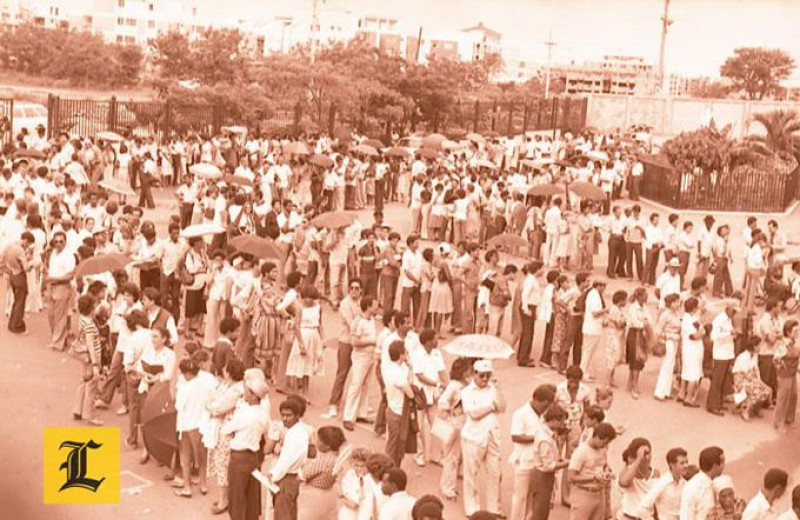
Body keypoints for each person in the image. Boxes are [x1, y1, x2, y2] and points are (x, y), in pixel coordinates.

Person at [461, 359, 506, 518]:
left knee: (494, 473)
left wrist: (499, 389)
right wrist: (491, 407)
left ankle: (494, 509)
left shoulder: (493, 388)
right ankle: (472, 509)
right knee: (471, 473)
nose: (485, 379)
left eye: (488, 375)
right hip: (474, 436)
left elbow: (502, 407)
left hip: (492, 434)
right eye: (482, 376)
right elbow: (474, 414)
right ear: (474, 374)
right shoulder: (467, 392)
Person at [223, 375, 270, 520]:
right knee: (252, 497)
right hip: (254, 456)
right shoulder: (263, 413)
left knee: (237, 498)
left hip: (240, 456)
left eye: (247, 391)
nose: (245, 394)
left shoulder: (245, 414)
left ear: (254, 395)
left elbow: (225, 429)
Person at [509, 384, 557, 520]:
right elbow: (516, 436)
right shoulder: (521, 414)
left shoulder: (543, 415)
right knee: (520, 497)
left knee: (533, 498)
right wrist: (538, 438)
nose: (545, 409)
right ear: (536, 399)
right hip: (524, 460)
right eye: (544, 405)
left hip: (538, 463)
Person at [324, 280, 363, 419]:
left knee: (360, 376)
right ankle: (333, 403)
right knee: (342, 374)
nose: (353, 290)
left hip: (358, 343)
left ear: (360, 290)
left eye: (356, 288)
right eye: (351, 288)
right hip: (346, 342)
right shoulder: (345, 304)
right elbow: (352, 322)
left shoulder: (361, 302)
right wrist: (363, 320)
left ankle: (358, 405)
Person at [342, 297, 379, 430]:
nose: (377, 307)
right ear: (368, 307)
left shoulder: (372, 320)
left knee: (366, 385)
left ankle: (361, 413)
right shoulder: (358, 322)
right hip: (360, 357)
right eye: (374, 305)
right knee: (356, 385)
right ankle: (348, 416)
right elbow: (354, 342)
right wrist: (371, 342)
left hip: (370, 356)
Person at [269, 398, 310, 520]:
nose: (285, 419)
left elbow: (285, 462)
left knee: (283, 514)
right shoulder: (297, 432)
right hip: (292, 478)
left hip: (287, 479)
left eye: (289, 415)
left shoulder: (294, 435)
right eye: (283, 415)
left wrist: (273, 476)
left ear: (297, 416)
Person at [437, 357, 471, 501]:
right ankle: (447, 488)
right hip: (455, 423)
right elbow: (443, 402)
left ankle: (450, 485)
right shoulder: (455, 386)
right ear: (463, 372)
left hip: (463, 423)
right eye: (469, 369)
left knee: (456, 456)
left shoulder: (465, 384)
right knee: (451, 457)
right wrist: (449, 414)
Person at [567, 422, 617, 520]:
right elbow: (571, 477)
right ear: (597, 437)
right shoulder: (581, 452)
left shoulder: (602, 450)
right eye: (604, 442)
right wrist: (593, 477)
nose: (605, 445)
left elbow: (604, 466)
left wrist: (607, 473)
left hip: (599, 493)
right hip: (583, 494)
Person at [286, 286, 324, 401]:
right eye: (306, 297)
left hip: (314, 337)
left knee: (308, 367)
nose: (308, 300)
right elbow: (296, 326)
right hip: (302, 335)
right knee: (298, 366)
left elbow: (320, 324)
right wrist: (301, 344)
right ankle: (295, 393)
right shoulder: (300, 308)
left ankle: (305, 394)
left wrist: (323, 339)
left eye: (311, 298)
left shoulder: (318, 307)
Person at [72, 294, 104, 426]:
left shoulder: (82, 320)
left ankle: (77, 409)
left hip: (83, 355)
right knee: (91, 385)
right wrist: (96, 364)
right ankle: (89, 415)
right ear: (91, 308)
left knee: (84, 381)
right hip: (92, 357)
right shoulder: (90, 325)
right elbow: (91, 345)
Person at [383, 340, 415, 467]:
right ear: (401, 355)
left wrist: (409, 367)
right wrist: (410, 367)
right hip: (398, 413)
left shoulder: (391, 368)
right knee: (394, 447)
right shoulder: (398, 373)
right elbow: (410, 393)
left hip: (393, 409)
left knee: (395, 445)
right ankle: (389, 471)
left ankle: (392, 470)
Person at [636, 447, 688, 520]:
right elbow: (641, 509)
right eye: (682, 463)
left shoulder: (686, 484)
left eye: (686, 462)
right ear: (672, 465)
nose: (686, 466)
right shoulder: (662, 483)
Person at [46, 230, 76, 351]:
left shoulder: (69, 256)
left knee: (60, 316)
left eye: (61, 241)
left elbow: (70, 275)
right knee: (51, 315)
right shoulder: (53, 253)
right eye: (56, 241)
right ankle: (57, 339)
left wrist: (54, 279)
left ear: (65, 242)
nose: (58, 244)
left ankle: (58, 343)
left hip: (62, 286)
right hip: (51, 286)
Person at [707, 301, 738, 415]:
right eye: (733, 311)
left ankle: (718, 402)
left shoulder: (729, 320)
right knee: (717, 380)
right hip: (720, 354)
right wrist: (729, 333)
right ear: (728, 309)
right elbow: (714, 336)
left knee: (723, 380)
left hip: (727, 352)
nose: (734, 313)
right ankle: (713, 405)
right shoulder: (719, 320)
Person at [732, 337, 773, 421]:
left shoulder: (755, 355)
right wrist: (757, 382)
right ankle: (745, 411)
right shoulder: (744, 356)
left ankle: (756, 409)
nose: (760, 347)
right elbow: (745, 374)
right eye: (759, 345)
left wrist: (760, 381)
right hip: (740, 378)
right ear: (754, 346)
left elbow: (756, 368)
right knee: (757, 390)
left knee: (767, 390)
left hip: (750, 377)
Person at [680, 446, 726, 520]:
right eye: (723, 462)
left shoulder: (717, 483)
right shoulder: (691, 488)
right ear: (715, 466)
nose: (724, 465)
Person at [618, 438, 659, 520]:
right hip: (629, 517)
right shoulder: (627, 471)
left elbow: (654, 499)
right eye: (644, 454)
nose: (647, 457)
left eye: (648, 453)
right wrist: (639, 458)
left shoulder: (655, 473)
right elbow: (624, 482)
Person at [4, 231, 33, 334]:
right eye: (28, 243)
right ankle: (17, 325)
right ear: (25, 240)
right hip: (19, 275)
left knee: (16, 301)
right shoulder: (20, 250)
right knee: (20, 302)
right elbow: (26, 267)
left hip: (12, 273)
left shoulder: (10, 246)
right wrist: (31, 263)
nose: (28, 245)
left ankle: (12, 324)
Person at [773, 319, 799, 432]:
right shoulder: (783, 344)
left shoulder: (795, 342)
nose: (798, 333)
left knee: (793, 395)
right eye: (795, 331)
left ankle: (789, 418)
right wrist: (782, 369)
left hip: (793, 373)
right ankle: (779, 423)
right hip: (785, 375)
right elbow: (776, 360)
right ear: (788, 332)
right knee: (783, 398)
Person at [653, 293, 681, 400]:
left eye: (678, 302)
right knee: (666, 365)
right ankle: (659, 392)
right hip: (668, 341)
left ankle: (666, 392)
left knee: (671, 365)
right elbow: (658, 330)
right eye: (675, 302)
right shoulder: (665, 315)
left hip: (675, 342)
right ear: (670, 303)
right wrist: (670, 336)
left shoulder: (677, 313)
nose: (677, 304)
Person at [679, 297, 706, 408]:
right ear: (694, 308)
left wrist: (701, 330)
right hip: (692, 349)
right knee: (693, 375)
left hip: (690, 348)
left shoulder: (690, 317)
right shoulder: (688, 321)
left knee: (686, 372)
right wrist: (702, 333)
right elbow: (695, 336)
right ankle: (689, 398)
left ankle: (681, 393)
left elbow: (699, 326)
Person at [580, 276, 608, 381]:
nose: (604, 289)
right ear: (599, 286)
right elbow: (595, 313)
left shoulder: (594, 294)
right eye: (603, 286)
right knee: (588, 352)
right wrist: (606, 310)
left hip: (593, 328)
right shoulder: (594, 296)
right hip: (592, 328)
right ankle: (583, 372)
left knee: (590, 352)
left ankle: (587, 371)